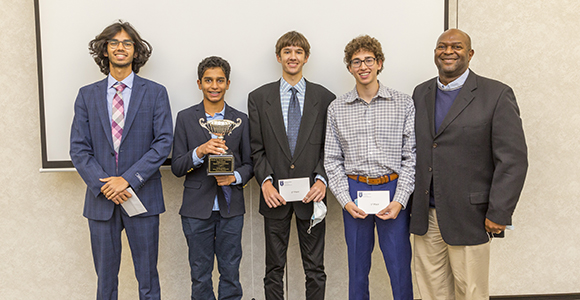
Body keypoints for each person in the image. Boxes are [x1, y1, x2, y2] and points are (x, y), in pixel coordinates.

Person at [411, 28, 528, 300]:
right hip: (426, 216)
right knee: (430, 292)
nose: (448, 51)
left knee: (471, 292)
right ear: (435, 53)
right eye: (442, 46)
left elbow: (513, 159)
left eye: (457, 46)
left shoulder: (496, 94)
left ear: (470, 54)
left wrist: (500, 212)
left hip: (471, 216)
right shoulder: (421, 93)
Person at [69, 20, 173, 300]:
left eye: (127, 43)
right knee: (105, 281)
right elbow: (78, 148)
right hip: (102, 202)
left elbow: (163, 142)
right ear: (105, 51)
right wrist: (106, 185)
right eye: (114, 43)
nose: (120, 48)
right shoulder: (86, 95)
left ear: (135, 52)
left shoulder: (155, 92)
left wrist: (126, 180)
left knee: (148, 278)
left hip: (143, 198)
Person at [324, 35, 415, 300]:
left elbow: (412, 157)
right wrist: (344, 199)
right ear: (349, 68)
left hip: (393, 189)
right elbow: (331, 160)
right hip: (355, 192)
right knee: (357, 268)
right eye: (356, 62)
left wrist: (400, 200)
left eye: (368, 60)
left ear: (379, 63)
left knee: (399, 267)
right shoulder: (337, 108)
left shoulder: (403, 103)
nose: (363, 66)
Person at [248, 31, 335, 300]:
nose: (293, 57)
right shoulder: (259, 98)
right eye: (287, 51)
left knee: (315, 269)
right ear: (279, 57)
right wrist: (265, 182)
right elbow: (256, 148)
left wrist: (322, 180)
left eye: (298, 52)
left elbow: (329, 148)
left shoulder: (325, 98)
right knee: (274, 268)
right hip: (275, 197)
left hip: (312, 196)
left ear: (306, 57)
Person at [171, 56, 253, 300]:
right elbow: (176, 166)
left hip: (231, 209)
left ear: (228, 83)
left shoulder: (241, 120)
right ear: (199, 83)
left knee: (230, 274)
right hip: (196, 211)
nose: (214, 86)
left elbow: (251, 164)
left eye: (220, 80)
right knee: (200, 275)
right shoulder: (185, 118)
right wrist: (200, 151)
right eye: (208, 80)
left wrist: (234, 177)